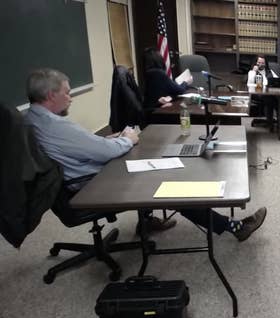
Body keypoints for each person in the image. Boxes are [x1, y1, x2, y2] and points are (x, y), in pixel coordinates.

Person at [25, 68, 266, 241]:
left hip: (78, 180)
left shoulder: (36, 119)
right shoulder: (55, 126)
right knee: (171, 188)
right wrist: (125, 140)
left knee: (156, 166)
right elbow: (102, 152)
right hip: (89, 184)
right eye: (66, 93)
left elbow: (79, 147)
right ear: (50, 96)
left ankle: (147, 221)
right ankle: (233, 227)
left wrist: (106, 139)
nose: (70, 97)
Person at [247, 56, 280, 126]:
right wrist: (254, 71)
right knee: (271, 98)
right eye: (259, 62)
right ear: (255, 63)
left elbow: (277, 80)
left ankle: (272, 119)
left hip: (269, 92)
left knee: (272, 97)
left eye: (263, 63)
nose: (261, 64)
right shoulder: (251, 72)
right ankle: (278, 116)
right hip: (257, 93)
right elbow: (249, 84)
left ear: (265, 64)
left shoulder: (269, 71)